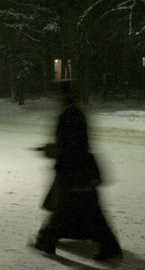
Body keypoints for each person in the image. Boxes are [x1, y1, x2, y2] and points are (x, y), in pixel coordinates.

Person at [31, 80, 122, 261]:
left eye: (55, 94)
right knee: (87, 211)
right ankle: (109, 247)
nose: (52, 98)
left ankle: (46, 241)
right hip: (76, 170)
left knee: (67, 209)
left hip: (74, 171)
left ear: (63, 95)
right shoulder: (72, 112)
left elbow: (73, 146)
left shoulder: (71, 115)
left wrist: (52, 150)